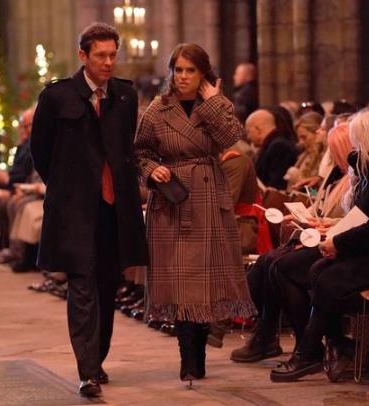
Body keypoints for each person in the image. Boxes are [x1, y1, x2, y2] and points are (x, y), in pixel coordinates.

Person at [30, 23, 147, 398]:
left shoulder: (126, 96)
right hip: (76, 210)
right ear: (83, 56)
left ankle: (97, 359)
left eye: (113, 55)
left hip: (115, 210)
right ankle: (87, 371)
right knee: (81, 286)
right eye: (101, 55)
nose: (108, 63)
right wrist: (67, 189)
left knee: (107, 284)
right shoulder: (58, 97)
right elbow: (41, 152)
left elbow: (125, 149)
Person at [270, 110, 369, 383]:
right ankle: (333, 345)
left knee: (329, 278)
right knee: (319, 269)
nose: (353, 147)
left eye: (356, 141)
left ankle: (309, 353)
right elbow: (361, 217)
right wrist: (336, 239)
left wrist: (339, 244)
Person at [135, 43, 256, 385]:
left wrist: (214, 101)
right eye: (178, 70)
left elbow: (232, 137)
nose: (183, 77)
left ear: (203, 74)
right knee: (180, 284)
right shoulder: (158, 109)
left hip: (207, 198)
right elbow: (140, 152)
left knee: (204, 284)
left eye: (190, 70)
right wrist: (152, 170)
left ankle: (197, 356)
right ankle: (188, 360)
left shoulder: (215, 106)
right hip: (172, 203)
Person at [230, 123, 353, 363]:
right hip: (322, 236)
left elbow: (352, 218)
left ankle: (291, 340)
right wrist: (307, 218)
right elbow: (325, 209)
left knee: (278, 265)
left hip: (339, 244)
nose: (333, 158)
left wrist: (321, 223)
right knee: (270, 261)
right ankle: (268, 335)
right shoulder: (336, 174)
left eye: (335, 152)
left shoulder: (357, 177)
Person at [248, 109, 298, 189]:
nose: (248, 137)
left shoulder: (279, 146)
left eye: (248, 132)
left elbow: (313, 191)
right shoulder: (272, 145)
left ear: (258, 129)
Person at [284, 112, 326, 189]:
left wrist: (299, 181)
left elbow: (318, 194)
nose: (300, 142)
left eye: (304, 137)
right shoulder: (303, 156)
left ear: (317, 133)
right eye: (299, 138)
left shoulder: (325, 160)